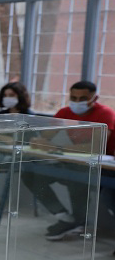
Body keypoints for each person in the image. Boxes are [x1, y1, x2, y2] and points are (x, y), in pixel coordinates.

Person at [21, 81, 115, 241]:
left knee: (77, 178)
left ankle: (79, 221)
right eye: (73, 98)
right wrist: (38, 141)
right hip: (75, 162)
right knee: (29, 173)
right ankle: (64, 216)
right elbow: (46, 136)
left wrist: (55, 146)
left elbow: (96, 147)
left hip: (102, 167)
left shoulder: (105, 114)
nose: (77, 102)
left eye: (83, 98)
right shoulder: (64, 112)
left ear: (94, 98)